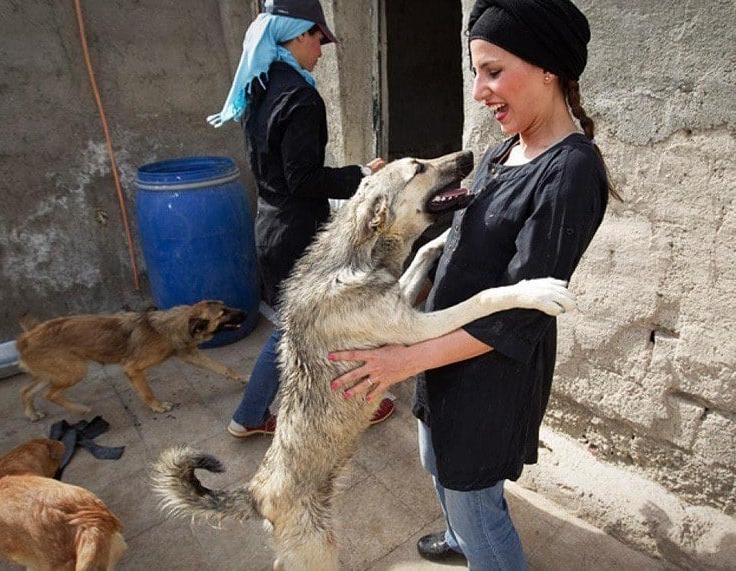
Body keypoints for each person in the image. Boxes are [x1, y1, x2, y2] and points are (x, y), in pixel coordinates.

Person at [329, 0, 620, 568]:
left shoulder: (570, 172)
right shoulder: (502, 150)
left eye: (493, 71)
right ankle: (461, 538)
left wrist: (401, 362)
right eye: (475, 72)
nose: (481, 90)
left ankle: (477, 543)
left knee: (474, 497)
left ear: (548, 68)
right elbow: (456, 242)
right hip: (440, 357)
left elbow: (521, 316)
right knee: (437, 462)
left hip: (487, 377)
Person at [206, 0, 394, 438]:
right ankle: (255, 413)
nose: (322, 51)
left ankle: (336, 403)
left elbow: (281, 175)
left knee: (317, 322)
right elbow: (303, 179)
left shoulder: (260, 87)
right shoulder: (301, 97)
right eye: (319, 39)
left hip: (270, 226)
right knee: (302, 328)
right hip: (296, 234)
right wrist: (364, 176)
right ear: (297, 34)